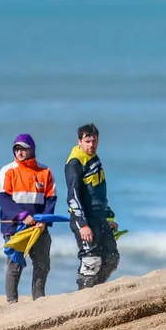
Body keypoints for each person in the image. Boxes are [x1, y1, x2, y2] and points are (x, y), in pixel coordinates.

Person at [0, 134, 56, 303]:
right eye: (17, 149)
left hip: (39, 227)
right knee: (15, 265)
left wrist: (44, 221)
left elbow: (51, 199)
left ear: (32, 149)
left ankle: (39, 300)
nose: (20, 152)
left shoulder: (45, 171)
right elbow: (3, 199)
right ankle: (12, 302)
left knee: (43, 265)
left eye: (24, 149)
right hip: (15, 227)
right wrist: (22, 216)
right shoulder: (7, 171)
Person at [66, 123, 120, 289]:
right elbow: (72, 197)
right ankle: (84, 295)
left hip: (99, 217)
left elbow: (100, 191)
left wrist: (108, 216)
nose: (91, 145)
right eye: (87, 141)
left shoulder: (94, 158)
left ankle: (95, 290)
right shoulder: (75, 163)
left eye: (94, 141)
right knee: (91, 260)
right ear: (79, 141)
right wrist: (83, 225)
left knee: (111, 258)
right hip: (84, 219)